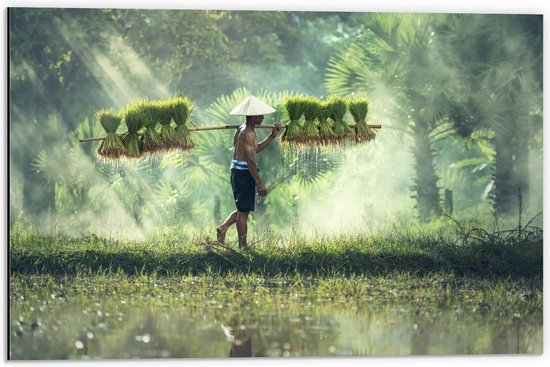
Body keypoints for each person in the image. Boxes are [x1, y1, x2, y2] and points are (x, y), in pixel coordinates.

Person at [216, 95, 281, 248]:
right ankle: (243, 246)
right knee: (244, 213)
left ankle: (223, 228)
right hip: (244, 173)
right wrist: (259, 182)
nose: (263, 117)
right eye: (260, 115)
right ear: (253, 116)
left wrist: (272, 136)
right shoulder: (249, 134)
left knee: (242, 209)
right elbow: (250, 160)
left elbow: (255, 149)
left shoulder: (241, 130)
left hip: (236, 171)